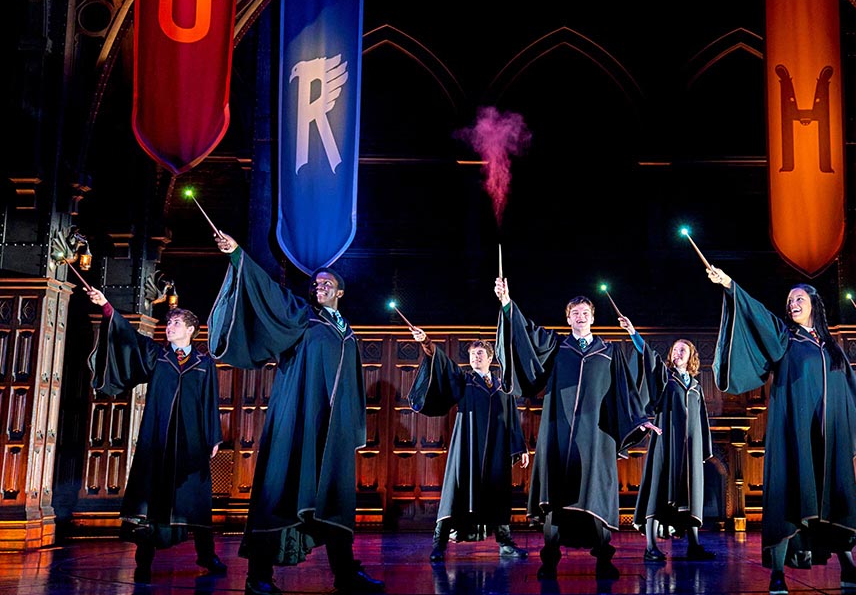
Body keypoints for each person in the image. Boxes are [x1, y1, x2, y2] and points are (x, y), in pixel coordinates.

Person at [208, 232, 383, 595]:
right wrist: (238, 255)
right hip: (299, 421)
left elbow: (352, 384)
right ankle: (258, 575)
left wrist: (353, 430)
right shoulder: (303, 318)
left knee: (334, 499)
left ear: (340, 291)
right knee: (281, 491)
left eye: (327, 283)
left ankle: (346, 575)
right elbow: (270, 294)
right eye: (316, 284)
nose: (319, 287)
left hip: (332, 432)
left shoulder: (347, 333)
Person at [705, 267, 856, 594]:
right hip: (795, 433)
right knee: (790, 495)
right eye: (790, 300)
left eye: (799, 299)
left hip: (828, 437)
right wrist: (730, 285)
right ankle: (777, 573)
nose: (792, 304)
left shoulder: (831, 347)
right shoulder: (785, 339)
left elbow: (851, 388)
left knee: (833, 499)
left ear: (814, 304)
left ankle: (849, 569)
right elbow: (758, 316)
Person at [493, 277, 660, 581]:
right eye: (574, 313)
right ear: (567, 318)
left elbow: (625, 391)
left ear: (593, 318)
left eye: (585, 313)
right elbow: (525, 334)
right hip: (559, 432)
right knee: (556, 496)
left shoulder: (609, 352)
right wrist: (506, 303)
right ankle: (550, 560)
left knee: (595, 493)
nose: (580, 317)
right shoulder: (557, 347)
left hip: (596, 436)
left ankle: (604, 560)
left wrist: (639, 418)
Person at [87, 289, 225, 583]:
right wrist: (106, 306)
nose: (169, 327)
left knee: (195, 499)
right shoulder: (157, 355)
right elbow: (129, 337)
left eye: (176, 323)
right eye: (169, 322)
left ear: (190, 329)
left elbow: (211, 401)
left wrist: (214, 436)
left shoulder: (204, 363)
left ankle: (206, 554)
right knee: (151, 498)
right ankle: (144, 563)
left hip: (191, 440)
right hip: (159, 438)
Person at [407, 330, 530, 561]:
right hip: (468, 445)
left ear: (490, 358)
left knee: (498, 492)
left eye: (480, 353)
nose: (475, 357)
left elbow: (513, 417)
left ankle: (505, 543)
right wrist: (427, 343)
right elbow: (444, 365)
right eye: (472, 354)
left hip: (495, 449)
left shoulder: (502, 386)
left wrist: (520, 447)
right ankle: (439, 544)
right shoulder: (464, 381)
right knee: (455, 491)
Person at [618, 317, 716, 562]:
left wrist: (703, 448)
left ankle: (694, 545)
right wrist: (633, 333)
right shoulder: (665, 377)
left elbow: (701, 418)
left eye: (683, 350)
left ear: (691, 356)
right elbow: (648, 357)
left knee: (691, 493)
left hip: (690, 447)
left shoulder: (696, 386)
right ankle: (651, 546)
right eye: (674, 350)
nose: (677, 353)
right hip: (666, 441)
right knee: (658, 488)